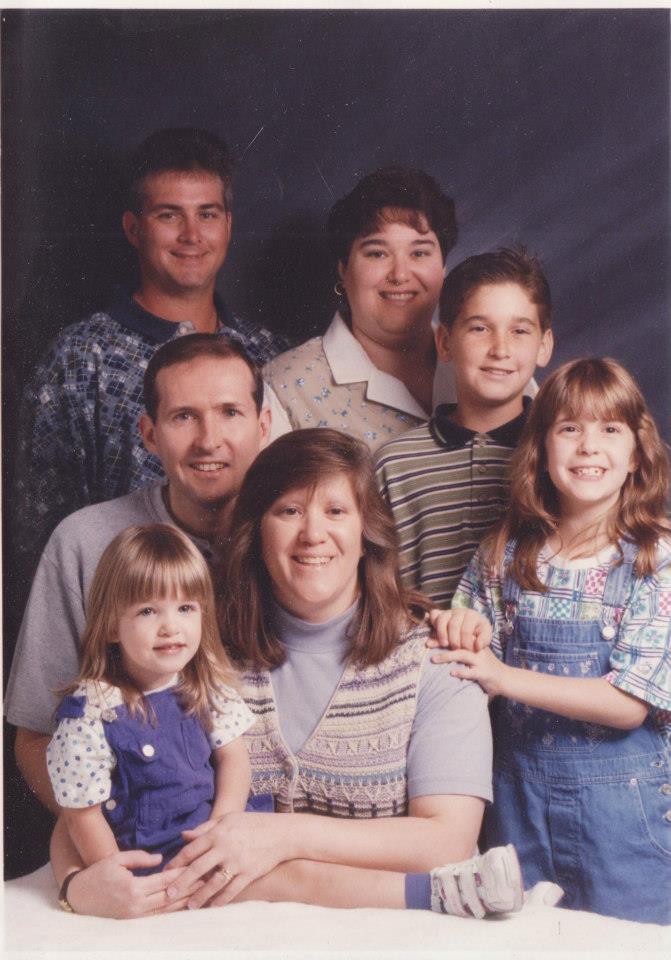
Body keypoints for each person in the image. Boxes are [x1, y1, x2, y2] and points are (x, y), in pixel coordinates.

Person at [50, 428, 527, 919]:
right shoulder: (194, 655)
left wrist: (280, 835)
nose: (313, 534)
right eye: (289, 511)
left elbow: (447, 840)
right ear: (256, 531)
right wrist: (77, 886)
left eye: (336, 511)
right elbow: (91, 800)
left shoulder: (436, 657)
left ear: (368, 533)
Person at [439, 358, 671, 924]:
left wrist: (501, 675)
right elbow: (461, 656)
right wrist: (460, 629)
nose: (589, 447)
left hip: (627, 825)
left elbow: (629, 704)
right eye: (570, 428)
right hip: (516, 812)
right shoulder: (504, 554)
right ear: (541, 448)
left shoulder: (656, 558)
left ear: (637, 453)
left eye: (610, 430)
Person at [5, 334, 270, 816]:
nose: (209, 439)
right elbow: (36, 735)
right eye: (183, 416)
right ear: (149, 433)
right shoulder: (85, 540)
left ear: (263, 424)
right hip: (133, 841)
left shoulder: (299, 544)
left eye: (230, 412)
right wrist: (108, 853)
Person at [15, 127, 287, 565]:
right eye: (169, 215)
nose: (192, 235)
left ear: (229, 224)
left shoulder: (269, 354)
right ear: (134, 229)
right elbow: (40, 532)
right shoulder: (81, 358)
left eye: (208, 214)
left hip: (248, 613)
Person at [264, 168, 539, 453]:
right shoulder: (286, 387)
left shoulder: (499, 364)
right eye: (377, 253)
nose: (399, 274)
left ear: (443, 268)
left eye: (419, 253)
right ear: (344, 271)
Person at [47, 524, 256, 875]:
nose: (170, 627)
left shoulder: (205, 686)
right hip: (147, 860)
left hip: (212, 842)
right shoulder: (92, 712)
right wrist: (112, 873)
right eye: (148, 611)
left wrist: (221, 830)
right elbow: (81, 812)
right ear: (112, 625)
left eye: (186, 608)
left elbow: (235, 760)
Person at [375, 248, 554, 606]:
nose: (500, 349)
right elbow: (376, 594)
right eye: (479, 328)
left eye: (519, 330)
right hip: (422, 655)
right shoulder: (394, 466)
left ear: (543, 346)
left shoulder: (560, 457)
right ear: (444, 342)